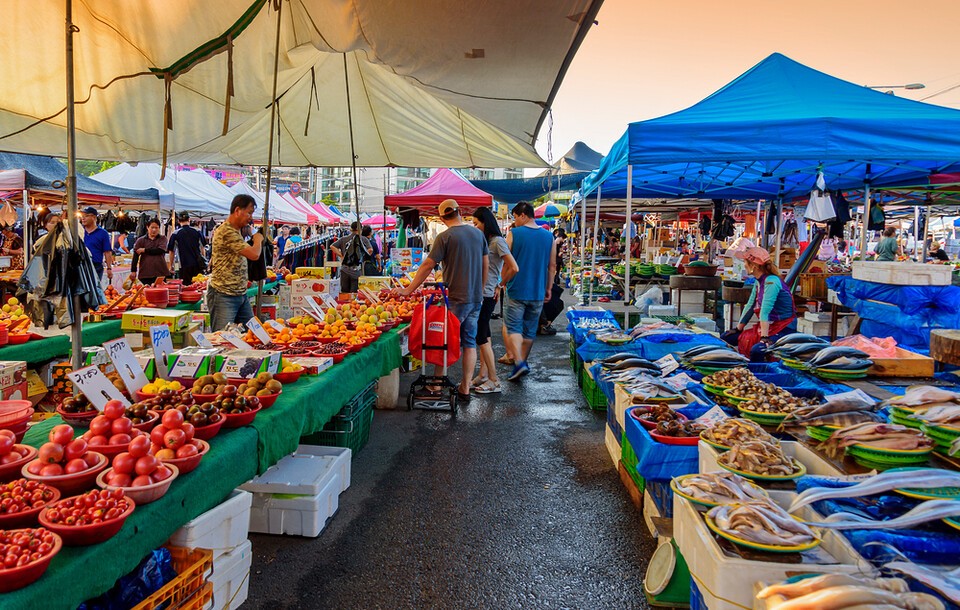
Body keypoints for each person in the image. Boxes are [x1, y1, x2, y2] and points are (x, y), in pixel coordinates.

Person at [397, 199, 488, 402]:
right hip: (475, 298)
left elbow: (429, 264)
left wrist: (409, 289)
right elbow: (485, 264)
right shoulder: (477, 234)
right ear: (460, 212)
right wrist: (479, 291)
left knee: (443, 341)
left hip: (455, 298)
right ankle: (465, 387)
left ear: (441, 217)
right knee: (470, 342)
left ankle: (436, 386)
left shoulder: (445, 236)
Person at [502, 201, 556, 381]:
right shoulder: (549, 237)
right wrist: (548, 288)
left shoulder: (514, 234)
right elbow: (552, 266)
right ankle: (522, 363)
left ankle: (519, 363)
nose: (515, 221)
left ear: (523, 215)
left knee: (514, 327)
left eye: (515, 217)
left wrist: (501, 282)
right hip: (538, 291)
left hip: (517, 289)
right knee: (530, 331)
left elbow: (506, 261)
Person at [470, 207, 518, 394]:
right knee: (484, 336)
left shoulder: (497, 241)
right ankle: (483, 374)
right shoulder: (486, 241)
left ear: (485, 222)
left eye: (476, 223)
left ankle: (494, 380)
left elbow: (513, 267)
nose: (474, 227)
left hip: (487, 295)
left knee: (481, 337)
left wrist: (500, 284)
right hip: (482, 294)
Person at [727, 247, 796, 360]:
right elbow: (750, 306)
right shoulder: (758, 281)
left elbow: (765, 310)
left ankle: (757, 373)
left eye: (745, 262)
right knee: (727, 338)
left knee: (757, 350)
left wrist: (764, 337)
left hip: (784, 329)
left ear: (754, 266)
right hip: (769, 327)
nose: (744, 265)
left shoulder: (771, 282)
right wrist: (738, 328)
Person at [208, 195, 264, 331]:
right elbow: (254, 254)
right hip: (224, 294)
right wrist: (258, 238)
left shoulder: (236, 230)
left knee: (255, 334)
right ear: (238, 210)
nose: (251, 217)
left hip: (240, 294)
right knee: (222, 338)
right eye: (249, 212)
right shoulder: (226, 231)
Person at [330, 221, 373, 293]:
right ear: (360, 230)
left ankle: (345, 304)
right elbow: (370, 250)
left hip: (344, 269)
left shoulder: (344, 239)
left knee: (344, 292)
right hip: (356, 269)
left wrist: (341, 255)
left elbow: (332, 246)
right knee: (354, 292)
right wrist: (362, 257)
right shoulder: (363, 239)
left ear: (351, 229)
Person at [167, 211, 208, 283]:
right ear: (189, 219)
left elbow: (171, 251)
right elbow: (202, 248)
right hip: (197, 265)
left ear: (178, 221)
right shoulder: (197, 231)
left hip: (183, 266)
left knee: (185, 288)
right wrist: (203, 262)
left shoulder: (175, 234)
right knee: (198, 286)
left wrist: (171, 265)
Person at [128, 217, 169, 286]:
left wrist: (144, 250)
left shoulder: (162, 238)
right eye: (152, 227)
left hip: (160, 272)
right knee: (145, 294)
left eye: (156, 228)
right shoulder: (141, 240)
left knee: (160, 293)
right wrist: (133, 270)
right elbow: (135, 256)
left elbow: (160, 250)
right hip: (145, 273)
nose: (154, 230)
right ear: (147, 227)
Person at [81, 206, 113, 283]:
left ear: (94, 217)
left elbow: (107, 252)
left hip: (96, 266)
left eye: (86, 216)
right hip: (81, 265)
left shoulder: (103, 233)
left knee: (94, 290)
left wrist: (109, 268)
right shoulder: (79, 231)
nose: (83, 218)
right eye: (82, 216)